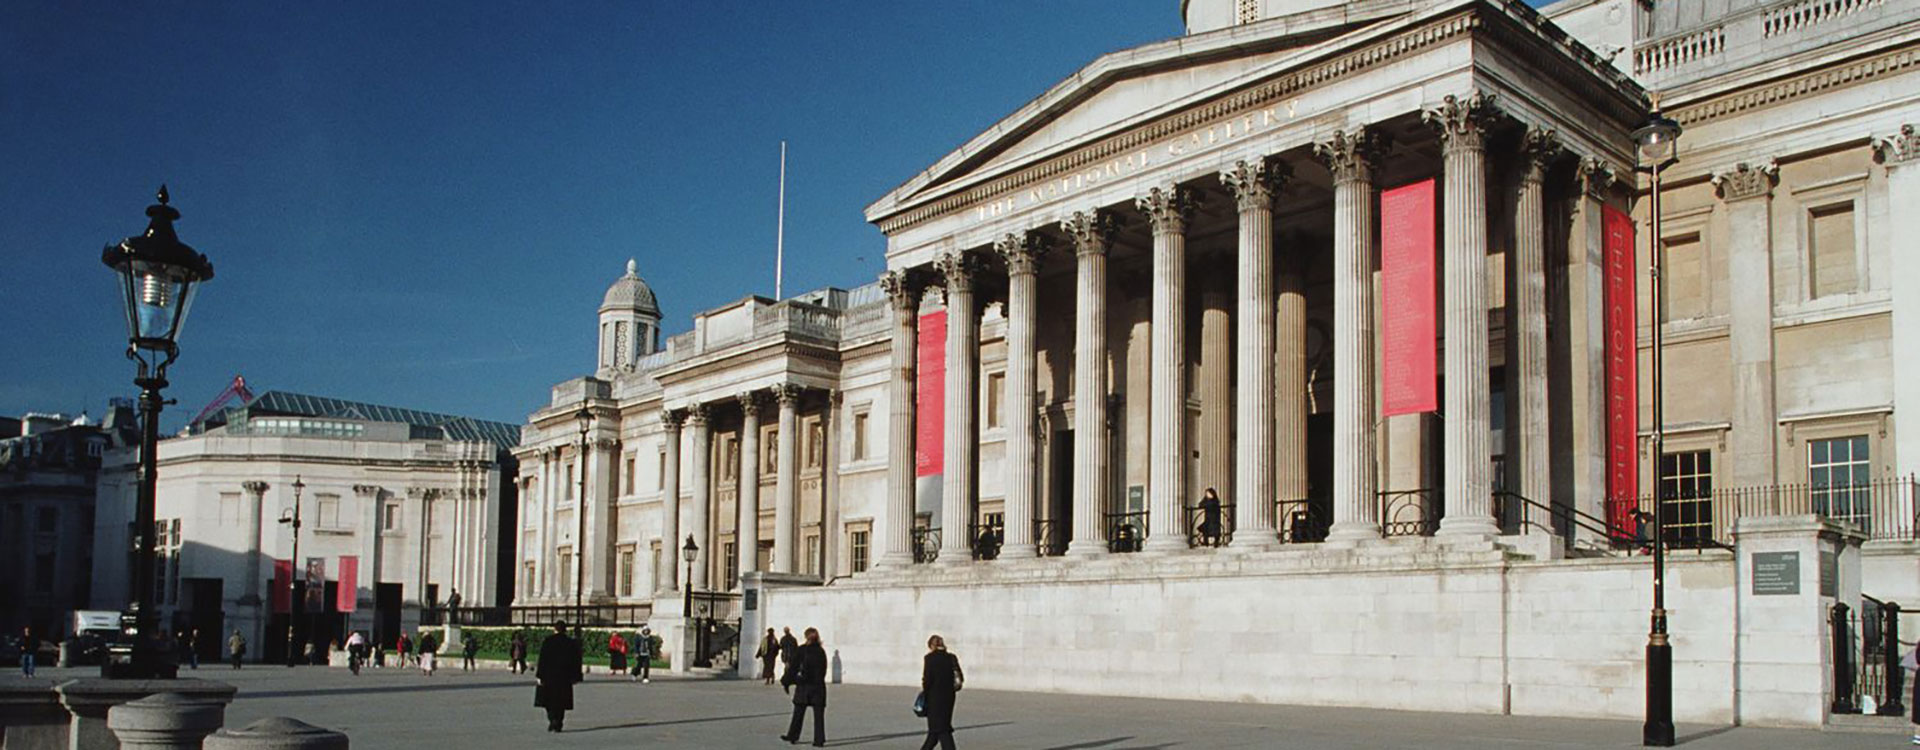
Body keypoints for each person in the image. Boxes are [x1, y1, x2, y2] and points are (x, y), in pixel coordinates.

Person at [780, 627, 827, 747]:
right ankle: (819, 739)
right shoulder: (821, 651)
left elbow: (793, 667)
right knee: (818, 716)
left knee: (798, 713)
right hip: (818, 686)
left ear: (806, 636)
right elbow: (823, 670)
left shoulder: (802, 650)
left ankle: (793, 735)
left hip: (804, 686)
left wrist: (786, 681)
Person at [534, 622, 583, 733]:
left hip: (549, 676)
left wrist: (540, 675)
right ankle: (559, 721)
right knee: (561, 700)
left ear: (555, 629)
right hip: (564, 677)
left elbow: (542, 660)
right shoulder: (570, 643)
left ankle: (552, 720)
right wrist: (576, 676)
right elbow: (575, 661)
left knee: (549, 700)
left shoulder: (548, 641)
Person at [918, 634, 964, 750]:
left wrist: (925, 693)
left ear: (931, 646)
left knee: (941, 730)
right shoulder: (951, 657)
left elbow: (927, 679)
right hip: (949, 698)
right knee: (937, 730)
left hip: (934, 698)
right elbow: (960, 678)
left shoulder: (929, 658)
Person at [778, 627, 800, 692]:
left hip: (788, 656)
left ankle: (786, 679)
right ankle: (787, 679)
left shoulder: (785, 639)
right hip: (789, 656)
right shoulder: (792, 639)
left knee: (788, 668)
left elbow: (781, 646)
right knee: (788, 667)